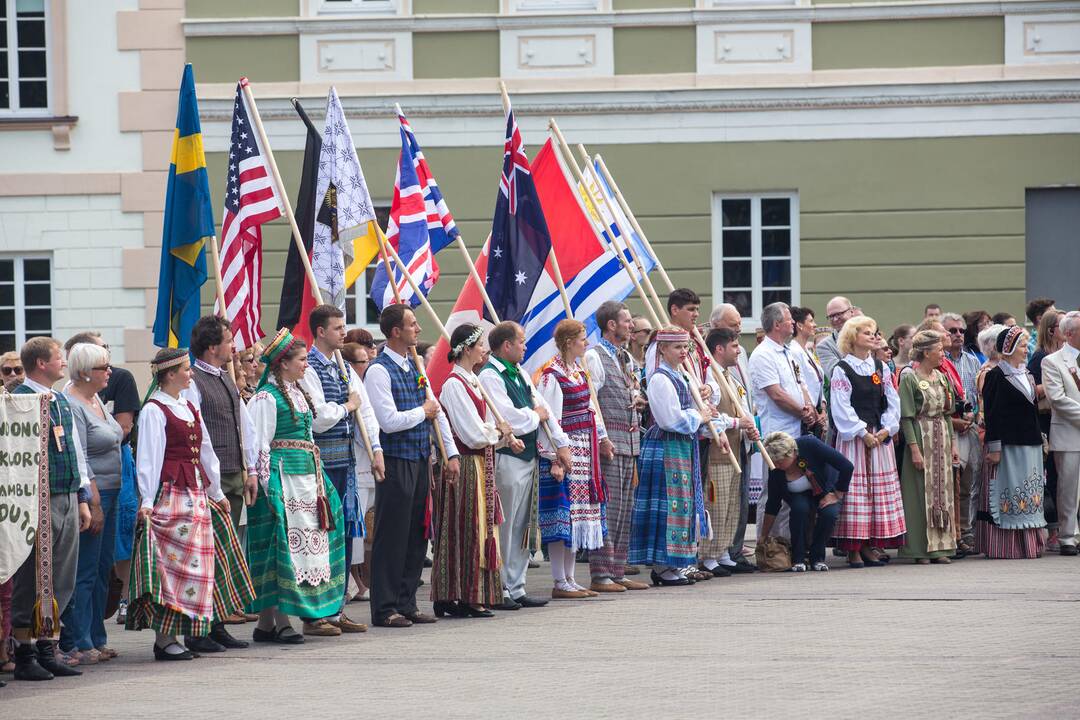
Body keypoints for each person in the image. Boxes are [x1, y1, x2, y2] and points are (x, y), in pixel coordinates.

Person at [127, 347, 254, 661]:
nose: (191, 373)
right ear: (170, 374)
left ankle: (187, 634)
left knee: (196, 568)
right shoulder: (155, 409)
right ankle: (164, 639)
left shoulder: (185, 404)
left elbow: (206, 450)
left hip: (194, 495)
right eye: (186, 369)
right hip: (170, 496)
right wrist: (147, 499)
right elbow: (149, 459)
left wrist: (217, 494)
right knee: (170, 569)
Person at [246, 329, 346, 642]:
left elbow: (309, 436)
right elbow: (259, 444)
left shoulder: (297, 392)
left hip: (306, 478)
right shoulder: (266, 398)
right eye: (302, 360)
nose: (306, 365)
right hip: (282, 479)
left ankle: (265, 625)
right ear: (284, 363)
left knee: (302, 547)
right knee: (283, 548)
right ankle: (281, 621)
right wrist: (267, 486)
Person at [365, 305, 459, 627]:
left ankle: (406, 602)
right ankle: (384, 607)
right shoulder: (379, 371)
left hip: (421, 458)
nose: (418, 329)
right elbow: (388, 421)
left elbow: (438, 413)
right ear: (395, 332)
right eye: (412, 324)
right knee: (392, 534)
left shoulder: (415, 364)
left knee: (417, 534)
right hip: (395, 460)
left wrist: (451, 453)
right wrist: (423, 411)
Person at [9, 337, 91, 681]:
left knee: (61, 576)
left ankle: (48, 646)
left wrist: (82, 496)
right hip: (35, 500)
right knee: (30, 576)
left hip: (66, 494)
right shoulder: (16, 400)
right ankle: (25, 652)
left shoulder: (59, 399)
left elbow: (74, 447)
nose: (63, 363)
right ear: (41, 363)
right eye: (59, 358)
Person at [298, 304, 381, 635]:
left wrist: (375, 449)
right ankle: (316, 613)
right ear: (320, 331)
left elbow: (367, 412)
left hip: (346, 465)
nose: (343, 332)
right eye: (337, 327)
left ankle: (336, 608)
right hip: (321, 467)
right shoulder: (309, 369)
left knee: (345, 538)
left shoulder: (344, 367)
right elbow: (318, 418)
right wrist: (346, 406)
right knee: (321, 539)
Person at [479, 321, 571, 610]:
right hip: (508, 456)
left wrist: (561, 443)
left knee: (522, 525)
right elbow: (507, 417)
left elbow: (544, 409)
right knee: (505, 527)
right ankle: (501, 586)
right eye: (521, 342)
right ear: (507, 345)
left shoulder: (518, 372)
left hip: (527, 456)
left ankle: (517, 585)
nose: (525, 346)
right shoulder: (491, 375)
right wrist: (534, 415)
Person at [433, 324, 521, 617]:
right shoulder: (454, 385)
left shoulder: (472, 381)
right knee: (469, 529)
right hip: (468, 465)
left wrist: (497, 433)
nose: (485, 349)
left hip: (483, 463)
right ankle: (463, 594)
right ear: (467, 349)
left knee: (482, 529)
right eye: (480, 345)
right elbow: (470, 433)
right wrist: (497, 431)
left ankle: (472, 592)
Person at [629, 326, 718, 586]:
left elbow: (692, 411)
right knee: (667, 505)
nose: (682, 352)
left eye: (685, 347)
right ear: (664, 349)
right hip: (664, 446)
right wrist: (698, 416)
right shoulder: (659, 378)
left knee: (681, 504)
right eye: (677, 347)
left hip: (680, 446)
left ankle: (674, 564)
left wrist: (708, 415)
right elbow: (669, 419)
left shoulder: (681, 376)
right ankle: (662, 565)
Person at [58, 342, 123, 665]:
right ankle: (79, 639)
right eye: (103, 367)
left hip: (113, 491)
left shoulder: (95, 398)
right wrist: (93, 501)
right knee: (84, 570)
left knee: (101, 570)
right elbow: (80, 454)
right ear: (85, 372)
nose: (109, 371)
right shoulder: (72, 402)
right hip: (95, 495)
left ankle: (97, 635)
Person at [537, 319, 611, 599]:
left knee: (577, 516)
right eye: (582, 339)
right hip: (566, 450)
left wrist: (602, 438)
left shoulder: (579, 372)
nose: (587, 343)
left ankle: (570, 577)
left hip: (585, 451)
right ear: (569, 342)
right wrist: (555, 456)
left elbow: (591, 408)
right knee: (563, 515)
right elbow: (550, 418)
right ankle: (559, 580)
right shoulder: (552, 375)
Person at [828, 316, 906, 567]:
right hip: (855, 437)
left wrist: (886, 429)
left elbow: (891, 399)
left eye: (874, 332)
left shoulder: (880, 367)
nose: (873, 337)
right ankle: (853, 547)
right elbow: (841, 407)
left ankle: (871, 544)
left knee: (876, 491)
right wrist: (863, 433)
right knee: (857, 491)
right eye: (866, 333)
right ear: (852, 338)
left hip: (878, 434)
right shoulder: (842, 368)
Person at [583, 302, 650, 593]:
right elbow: (590, 402)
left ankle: (618, 570)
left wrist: (638, 400)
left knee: (626, 509)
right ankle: (601, 574)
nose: (630, 326)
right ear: (611, 325)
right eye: (625, 321)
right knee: (608, 510)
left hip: (630, 442)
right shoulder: (594, 357)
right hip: (609, 443)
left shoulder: (625, 358)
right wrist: (600, 438)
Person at [975, 326, 1047, 558]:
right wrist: (994, 448)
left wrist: (1041, 440)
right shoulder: (996, 376)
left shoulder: (1027, 375)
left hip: (1030, 443)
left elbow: (1032, 411)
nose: (1027, 350)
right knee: (1009, 490)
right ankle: (1006, 546)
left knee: (1029, 493)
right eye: (1024, 346)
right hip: (1008, 445)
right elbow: (993, 414)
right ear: (1010, 348)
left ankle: (1029, 543)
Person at [699, 327, 760, 575]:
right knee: (716, 503)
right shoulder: (710, 377)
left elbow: (742, 409)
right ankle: (707, 555)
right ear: (719, 349)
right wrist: (738, 423)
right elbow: (712, 416)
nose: (739, 350)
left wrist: (749, 429)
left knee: (731, 506)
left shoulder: (730, 376)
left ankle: (723, 551)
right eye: (734, 346)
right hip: (718, 452)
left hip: (736, 448)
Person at [898, 331, 960, 564]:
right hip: (921, 438)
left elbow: (947, 414)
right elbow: (907, 417)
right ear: (926, 352)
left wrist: (953, 444)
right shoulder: (910, 379)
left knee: (942, 492)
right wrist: (914, 449)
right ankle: (920, 549)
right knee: (919, 494)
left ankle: (941, 546)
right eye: (939, 350)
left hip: (941, 439)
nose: (943, 354)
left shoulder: (942, 378)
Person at [758, 432, 853, 571]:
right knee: (799, 508)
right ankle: (798, 558)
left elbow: (847, 466)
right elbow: (773, 504)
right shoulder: (775, 468)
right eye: (773, 461)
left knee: (829, 514)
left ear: (792, 453)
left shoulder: (810, 444)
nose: (776, 465)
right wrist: (763, 536)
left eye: (779, 461)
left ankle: (817, 557)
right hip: (799, 495)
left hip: (824, 488)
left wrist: (837, 494)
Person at [942, 312, 982, 555]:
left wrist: (974, 416)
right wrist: (956, 420)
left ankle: (967, 531)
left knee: (970, 481)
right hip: (951, 427)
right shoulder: (940, 360)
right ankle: (952, 534)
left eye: (961, 331)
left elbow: (977, 395)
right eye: (952, 331)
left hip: (971, 426)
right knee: (953, 483)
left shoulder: (972, 360)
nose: (958, 335)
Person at [1042, 310, 1080, 556]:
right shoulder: (1053, 361)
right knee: (1069, 487)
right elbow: (1057, 399)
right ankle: (1068, 536)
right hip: (1068, 434)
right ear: (1069, 334)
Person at [1028, 309, 1063, 545]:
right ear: (1052, 330)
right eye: (1062, 325)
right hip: (1045, 420)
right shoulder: (1040, 357)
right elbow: (1031, 390)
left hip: (1062, 420)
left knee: (1062, 475)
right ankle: (1052, 528)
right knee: (1050, 475)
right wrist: (1052, 386)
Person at [790, 306, 826, 439]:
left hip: (817, 411)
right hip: (809, 415)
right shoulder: (793, 351)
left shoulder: (807, 351)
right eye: (810, 321)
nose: (814, 325)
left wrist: (823, 408)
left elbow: (819, 380)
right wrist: (815, 413)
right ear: (799, 325)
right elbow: (801, 383)